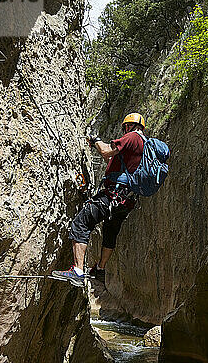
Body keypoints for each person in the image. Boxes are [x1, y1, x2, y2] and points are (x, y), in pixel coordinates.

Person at [51, 113, 146, 287]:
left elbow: (105, 151)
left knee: (81, 222)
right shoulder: (143, 145)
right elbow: (109, 157)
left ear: (129, 126)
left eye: (125, 127)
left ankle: (78, 271)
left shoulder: (132, 137)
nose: (124, 130)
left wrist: (96, 140)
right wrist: (99, 147)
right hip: (126, 201)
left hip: (113, 195)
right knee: (110, 232)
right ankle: (99, 270)